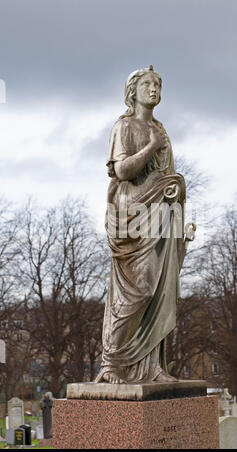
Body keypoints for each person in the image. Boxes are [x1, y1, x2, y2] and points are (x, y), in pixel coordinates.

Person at [95, 66, 186, 384]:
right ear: (132, 91)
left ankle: (151, 368)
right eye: (148, 83)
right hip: (132, 216)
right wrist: (151, 147)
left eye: (158, 84)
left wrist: (176, 208)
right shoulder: (124, 126)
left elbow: (164, 176)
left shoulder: (161, 128)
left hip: (161, 216)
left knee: (162, 290)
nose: (155, 88)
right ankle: (112, 363)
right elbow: (122, 171)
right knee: (141, 290)